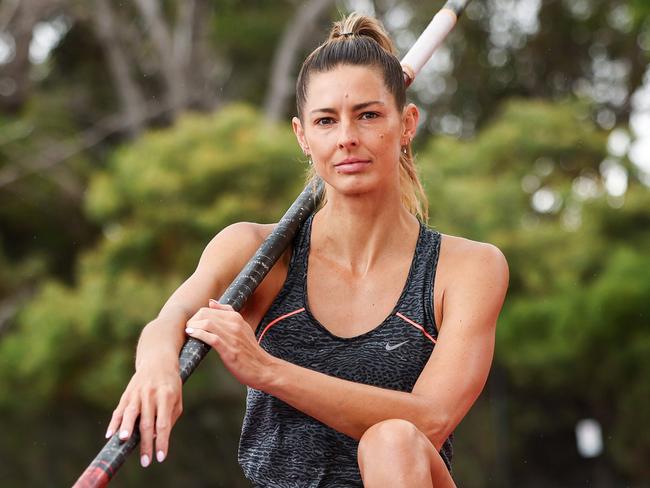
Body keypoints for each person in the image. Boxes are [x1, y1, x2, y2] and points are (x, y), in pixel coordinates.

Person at [105, 13, 508, 488]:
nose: (347, 138)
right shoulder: (256, 250)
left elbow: (431, 420)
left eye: (369, 114)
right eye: (326, 120)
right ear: (302, 135)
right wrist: (156, 367)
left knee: (393, 440)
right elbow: (170, 320)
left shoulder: (466, 268)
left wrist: (267, 371)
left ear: (407, 124)